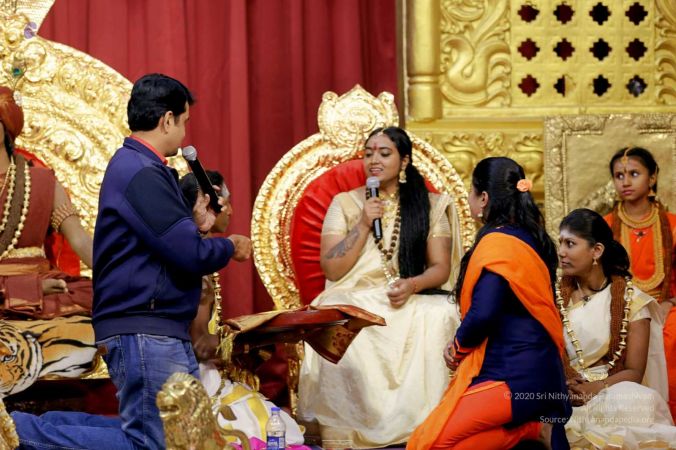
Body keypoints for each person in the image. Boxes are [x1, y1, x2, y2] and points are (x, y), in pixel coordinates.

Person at [3, 73, 251, 450]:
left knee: (172, 438)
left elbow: (169, 245)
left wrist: (199, 227)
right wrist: (230, 246)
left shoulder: (144, 169)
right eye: (183, 122)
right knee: (155, 444)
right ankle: (18, 432)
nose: (184, 133)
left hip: (155, 325)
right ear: (167, 119)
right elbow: (188, 254)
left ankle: (25, 427)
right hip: (144, 326)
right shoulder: (140, 172)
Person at [297, 126, 462, 448]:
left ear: (404, 161)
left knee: (442, 312)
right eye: (368, 153)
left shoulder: (429, 205)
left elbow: (440, 268)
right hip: (354, 293)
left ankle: (427, 424)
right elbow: (332, 268)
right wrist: (362, 223)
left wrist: (412, 284)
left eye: (384, 153)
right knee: (335, 314)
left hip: (408, 294)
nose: (374, 160)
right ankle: (349, 430)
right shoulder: (344, 203)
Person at [408, 157, 571, 450]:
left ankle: (533, 430)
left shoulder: (498, 244)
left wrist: (456, 347)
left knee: (430, 443)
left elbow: (484, 313)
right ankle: (534, 430)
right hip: (539, 372)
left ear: (483, 198)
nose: (469, 200)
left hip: (513, 377)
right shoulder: (530, 237)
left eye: (471, 193)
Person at [179, 170, 306, 446]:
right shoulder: (196, 268)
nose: (231, 210)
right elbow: (199, 346)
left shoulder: (194, 254)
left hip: (196, 373)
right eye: (226, 201)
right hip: (195, 379)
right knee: (268, 425)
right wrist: (249, 339)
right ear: (207, 203)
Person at [0, 86, 98, 397]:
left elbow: (80, 241)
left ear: (5, 128)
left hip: (45, 287)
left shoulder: (42, 183)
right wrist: (28, 289)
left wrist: (127, 273)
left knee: (97, 296)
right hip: (23, 289)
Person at [558, 208, 676, 447]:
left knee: (634, 401)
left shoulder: (633, 301)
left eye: (570, 243)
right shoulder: (552, 297)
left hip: (612, 392)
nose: (561, 252)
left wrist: (594, 389)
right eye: (560, 242)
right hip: (561, 389)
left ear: (596, 251)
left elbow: (634, 371)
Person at [605, 147, 676, 418]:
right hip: (619, 307)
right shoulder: (605, 227)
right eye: (619, 175)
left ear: (653, 177)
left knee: (671, 334)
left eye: (634, 174)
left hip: (666, 306)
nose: (625, 181)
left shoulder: (673, 225)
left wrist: (670, 302)